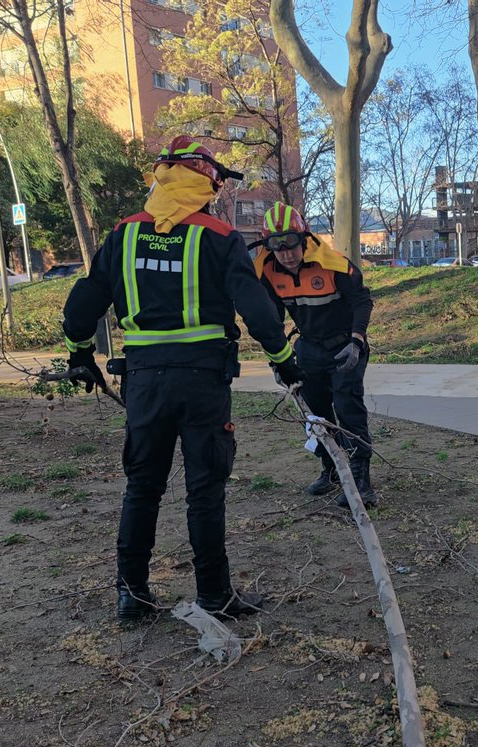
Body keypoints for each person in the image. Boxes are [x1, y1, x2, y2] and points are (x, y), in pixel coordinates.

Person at [62, 136, 304, 624]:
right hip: (202, 383)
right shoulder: (217, 235)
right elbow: (255, 306)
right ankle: (214, 594)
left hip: (145, 382)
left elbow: (86, 299)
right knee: (205, 490)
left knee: (142, 487)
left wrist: (80, 353)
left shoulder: (125, 235)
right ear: (206, 183)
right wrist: (283, 358)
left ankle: (131, 594)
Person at [252, 201, 376, 507]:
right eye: (276, 246)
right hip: (309, 347)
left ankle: (361, 479)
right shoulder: (269, 274)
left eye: (291, 244)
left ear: (305, 238)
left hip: (345, 346)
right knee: (316, 414)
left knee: (348, 408)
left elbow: (362, 301)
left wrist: (357, 341)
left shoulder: (334, 265)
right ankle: (331, 468)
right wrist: (278, 358)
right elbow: (272, 319)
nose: (286, 253)